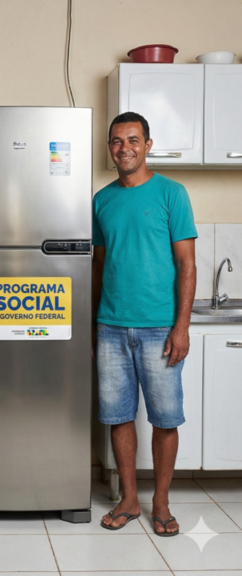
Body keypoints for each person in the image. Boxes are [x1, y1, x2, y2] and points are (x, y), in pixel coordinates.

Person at [94, 112, 196, 537]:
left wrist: (181, 326)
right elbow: (99, 267)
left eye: (133, 140)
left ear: (148, 145)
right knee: (118, 417)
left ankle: (161, 503)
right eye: (116, 141)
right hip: (111, 327)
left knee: (165, 419)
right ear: (110, 148)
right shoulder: (101, 200)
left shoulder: (172, 193)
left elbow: (187, 263)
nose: (124, 149)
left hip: (159, 328)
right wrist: (93, 324)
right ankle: (130, 500)